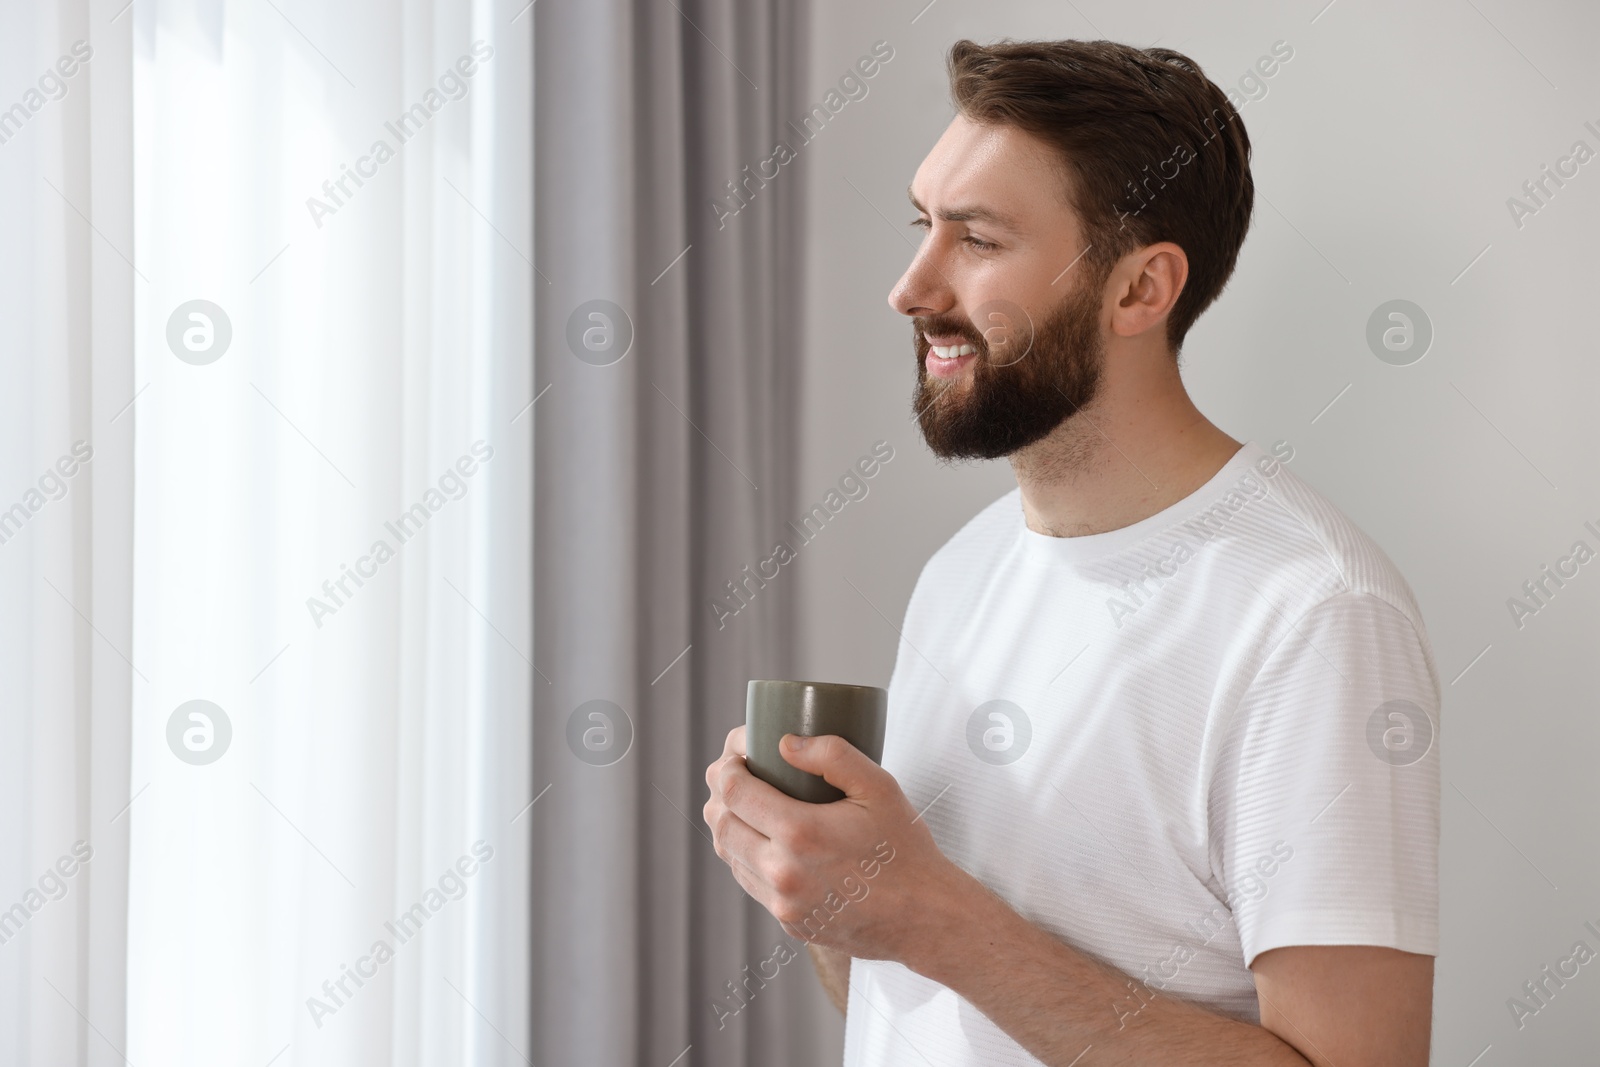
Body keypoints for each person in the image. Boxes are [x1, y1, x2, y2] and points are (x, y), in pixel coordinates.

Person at [703, 37, 1438, 1066]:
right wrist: (833, 897)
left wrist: (931, 914)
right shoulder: (960, 572)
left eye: (978, 240)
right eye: (923, 226)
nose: (909, 287)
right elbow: (926, 1011)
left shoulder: (1312, 614)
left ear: (1139, 291)